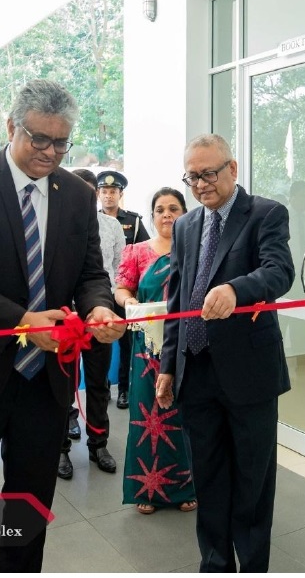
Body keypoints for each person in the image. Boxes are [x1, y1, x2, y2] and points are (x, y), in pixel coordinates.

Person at [0, 79, 124, 572]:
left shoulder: (77, 195)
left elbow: (90, 273)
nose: (51, 152)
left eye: (62, 142)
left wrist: (100, 308)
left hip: (44, 380)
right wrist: (20, 322)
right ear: (11, 127)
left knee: (29, 507)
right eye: (40, 139)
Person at [157, 134, 294, 572]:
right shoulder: (185, 225)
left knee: (252, 482)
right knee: (209, 478)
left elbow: (279, 271)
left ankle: (252, 565)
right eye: (192, 176)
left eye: (209, 173)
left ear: (232, 169)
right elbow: (177, 299)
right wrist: (167, 366)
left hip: (247, 373)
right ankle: (215, 563)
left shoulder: (265, 214)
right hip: (195, 371)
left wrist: (238, 289)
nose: (200, 184)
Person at [115, 187, 197, 514]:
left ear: (185, 214)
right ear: (152, 216)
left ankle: (185, 487)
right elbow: (121, 287)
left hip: (186, 347)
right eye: (160, 209)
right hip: (147, 348)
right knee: (146, 413)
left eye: (173, 208)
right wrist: (129, 301)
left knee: (183, 413)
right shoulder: (136, 251)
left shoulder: (196, 251)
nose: (166, 215)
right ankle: (145, 491)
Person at [57, 168, 126, 479]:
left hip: (100, 312)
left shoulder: (112, 225)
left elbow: (115, 267)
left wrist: (105, 305)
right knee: (62, 384)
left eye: (88, 193)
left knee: (98, 383)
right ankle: (60, 449)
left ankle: (98, 443)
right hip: (63, 316)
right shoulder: (56, 224)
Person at [97, 170, 149, 411]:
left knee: (127, 341)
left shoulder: (133, 221)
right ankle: (103, 385)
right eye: (104, 192)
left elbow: (144, 252)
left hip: (126, 289)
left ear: (120, 194)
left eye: (113, 192)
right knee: (100, 340)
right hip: (100, 290)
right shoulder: (92, 220)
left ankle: (125, 389)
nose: (108, 196)